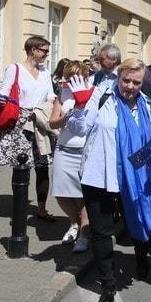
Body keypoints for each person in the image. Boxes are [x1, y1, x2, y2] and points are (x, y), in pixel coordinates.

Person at [67, 58, 151, 302]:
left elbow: (148, 141)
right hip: (100, 175)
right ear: (118, 77)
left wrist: (147, 172)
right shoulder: (101, 95)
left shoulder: (146, 104)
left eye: (136, 82)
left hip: (134, 176)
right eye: (126, 80)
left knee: (137, 219)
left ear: (142, 84)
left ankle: (141, 257)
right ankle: (107, 282)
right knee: (101, 231)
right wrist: (79, 104)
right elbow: (79, 128)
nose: (129, 86)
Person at [0, 36, 56, 221]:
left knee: (42, 166)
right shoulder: (15, 69)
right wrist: (1, 101)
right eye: (44, 50)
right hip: (20, 123)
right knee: (21, 167)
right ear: (33, 50)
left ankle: (42, 209)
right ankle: (19, 209)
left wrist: (45, 108)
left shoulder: (45, 71)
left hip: (40, 121)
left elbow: (51, 95)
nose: (46, 54)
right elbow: (4, 92)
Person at [48, 61, 92, 253]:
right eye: (69, 76)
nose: (71, 80)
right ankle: (74, 223)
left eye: (76, 76)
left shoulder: (93, 92)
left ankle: (84, 233)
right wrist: (65, 117)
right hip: (64, 149)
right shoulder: (63, 94)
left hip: (84, 151)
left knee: (83, 195)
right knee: (61, 191)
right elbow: (52, 123)